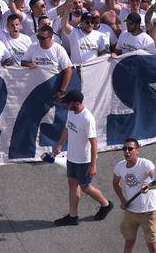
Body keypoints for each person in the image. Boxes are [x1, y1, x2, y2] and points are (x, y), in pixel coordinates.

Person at [52, 90, 112, 225]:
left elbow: (94, 143)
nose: (66, 105)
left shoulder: (87, 118)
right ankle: (73, 217)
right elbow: (67, 129)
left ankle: (106, 204)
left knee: (85, 187)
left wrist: (93, 164)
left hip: (84, 161)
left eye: (69, 102)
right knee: (72, 184)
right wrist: (60, 145)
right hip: (72, 157)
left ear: (77, 103)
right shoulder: (71, 112)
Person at [111, 137, 156, 253]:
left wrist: (148, 187)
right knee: (129, 242)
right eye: (124, 149)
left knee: (152, 246)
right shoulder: (120, 166)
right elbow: (115, 183)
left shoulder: (145, 164)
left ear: (137, 150)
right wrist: (123, 200)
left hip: (148, 213)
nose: (127, 152)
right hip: (131, 211)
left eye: (130, 149)